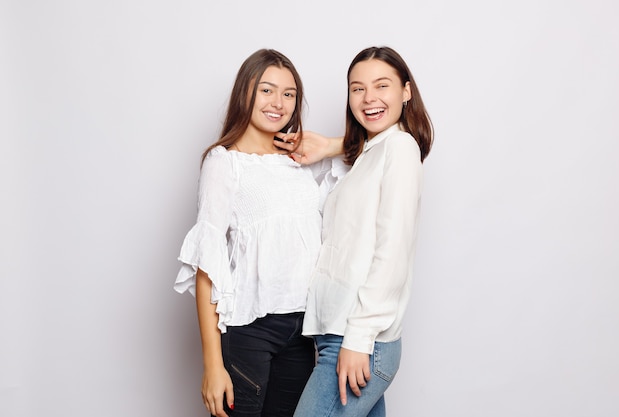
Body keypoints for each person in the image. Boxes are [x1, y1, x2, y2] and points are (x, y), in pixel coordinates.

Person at [174, 49, 346, 417]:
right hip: (249, 330)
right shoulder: (224, 162)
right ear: (245, 93)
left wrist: (327, 146)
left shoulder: (301, 161)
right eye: (267, 90)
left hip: (302, 332)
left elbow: (368, 157)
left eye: (289, 94)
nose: (278, 103)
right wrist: (212, 365)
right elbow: (208, 265)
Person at [287, 46, 434, 417]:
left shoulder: (400, 149)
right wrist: (334, 146)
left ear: (405, 91)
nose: (369, 98)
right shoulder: (371, 154)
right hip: (338, 336)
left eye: (381, 86)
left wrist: (359, 339)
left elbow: (392, 252)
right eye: (357, 88)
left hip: (357, 340)